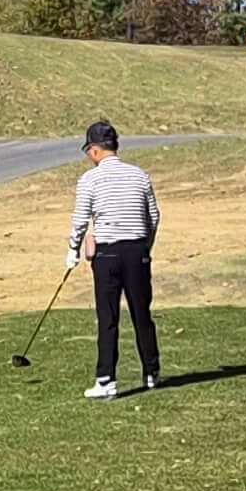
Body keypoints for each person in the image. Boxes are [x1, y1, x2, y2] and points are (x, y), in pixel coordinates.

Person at [64, 120, 162, 398]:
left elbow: (81, 219)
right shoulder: (140, 175)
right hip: (136, 252)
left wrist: (72, 250)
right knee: (142, 314)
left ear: (95, 150)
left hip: (106, 255)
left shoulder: (89, 179)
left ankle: (106, 379)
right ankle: (151, 372)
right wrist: (145, 247)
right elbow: (153, 217)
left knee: (108, 317)